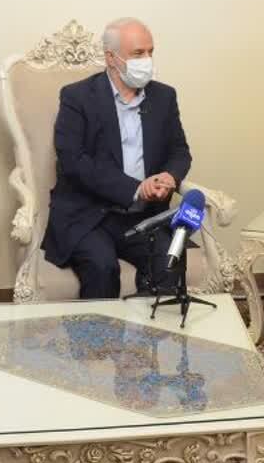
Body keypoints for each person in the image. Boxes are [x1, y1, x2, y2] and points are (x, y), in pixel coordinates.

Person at [42, 17, 192, 298]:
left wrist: (169, 176)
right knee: (102, 267)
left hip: (144, 216)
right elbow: (73, 161)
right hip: (90, 215)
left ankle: (153, 327)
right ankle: (98, 329)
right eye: (138, 53)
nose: (147, 60)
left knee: (168, 259)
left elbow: (179, 150)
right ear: (111, 58)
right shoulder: (77, 97)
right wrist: (135, 188)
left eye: (150, 52)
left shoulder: (164, 96)